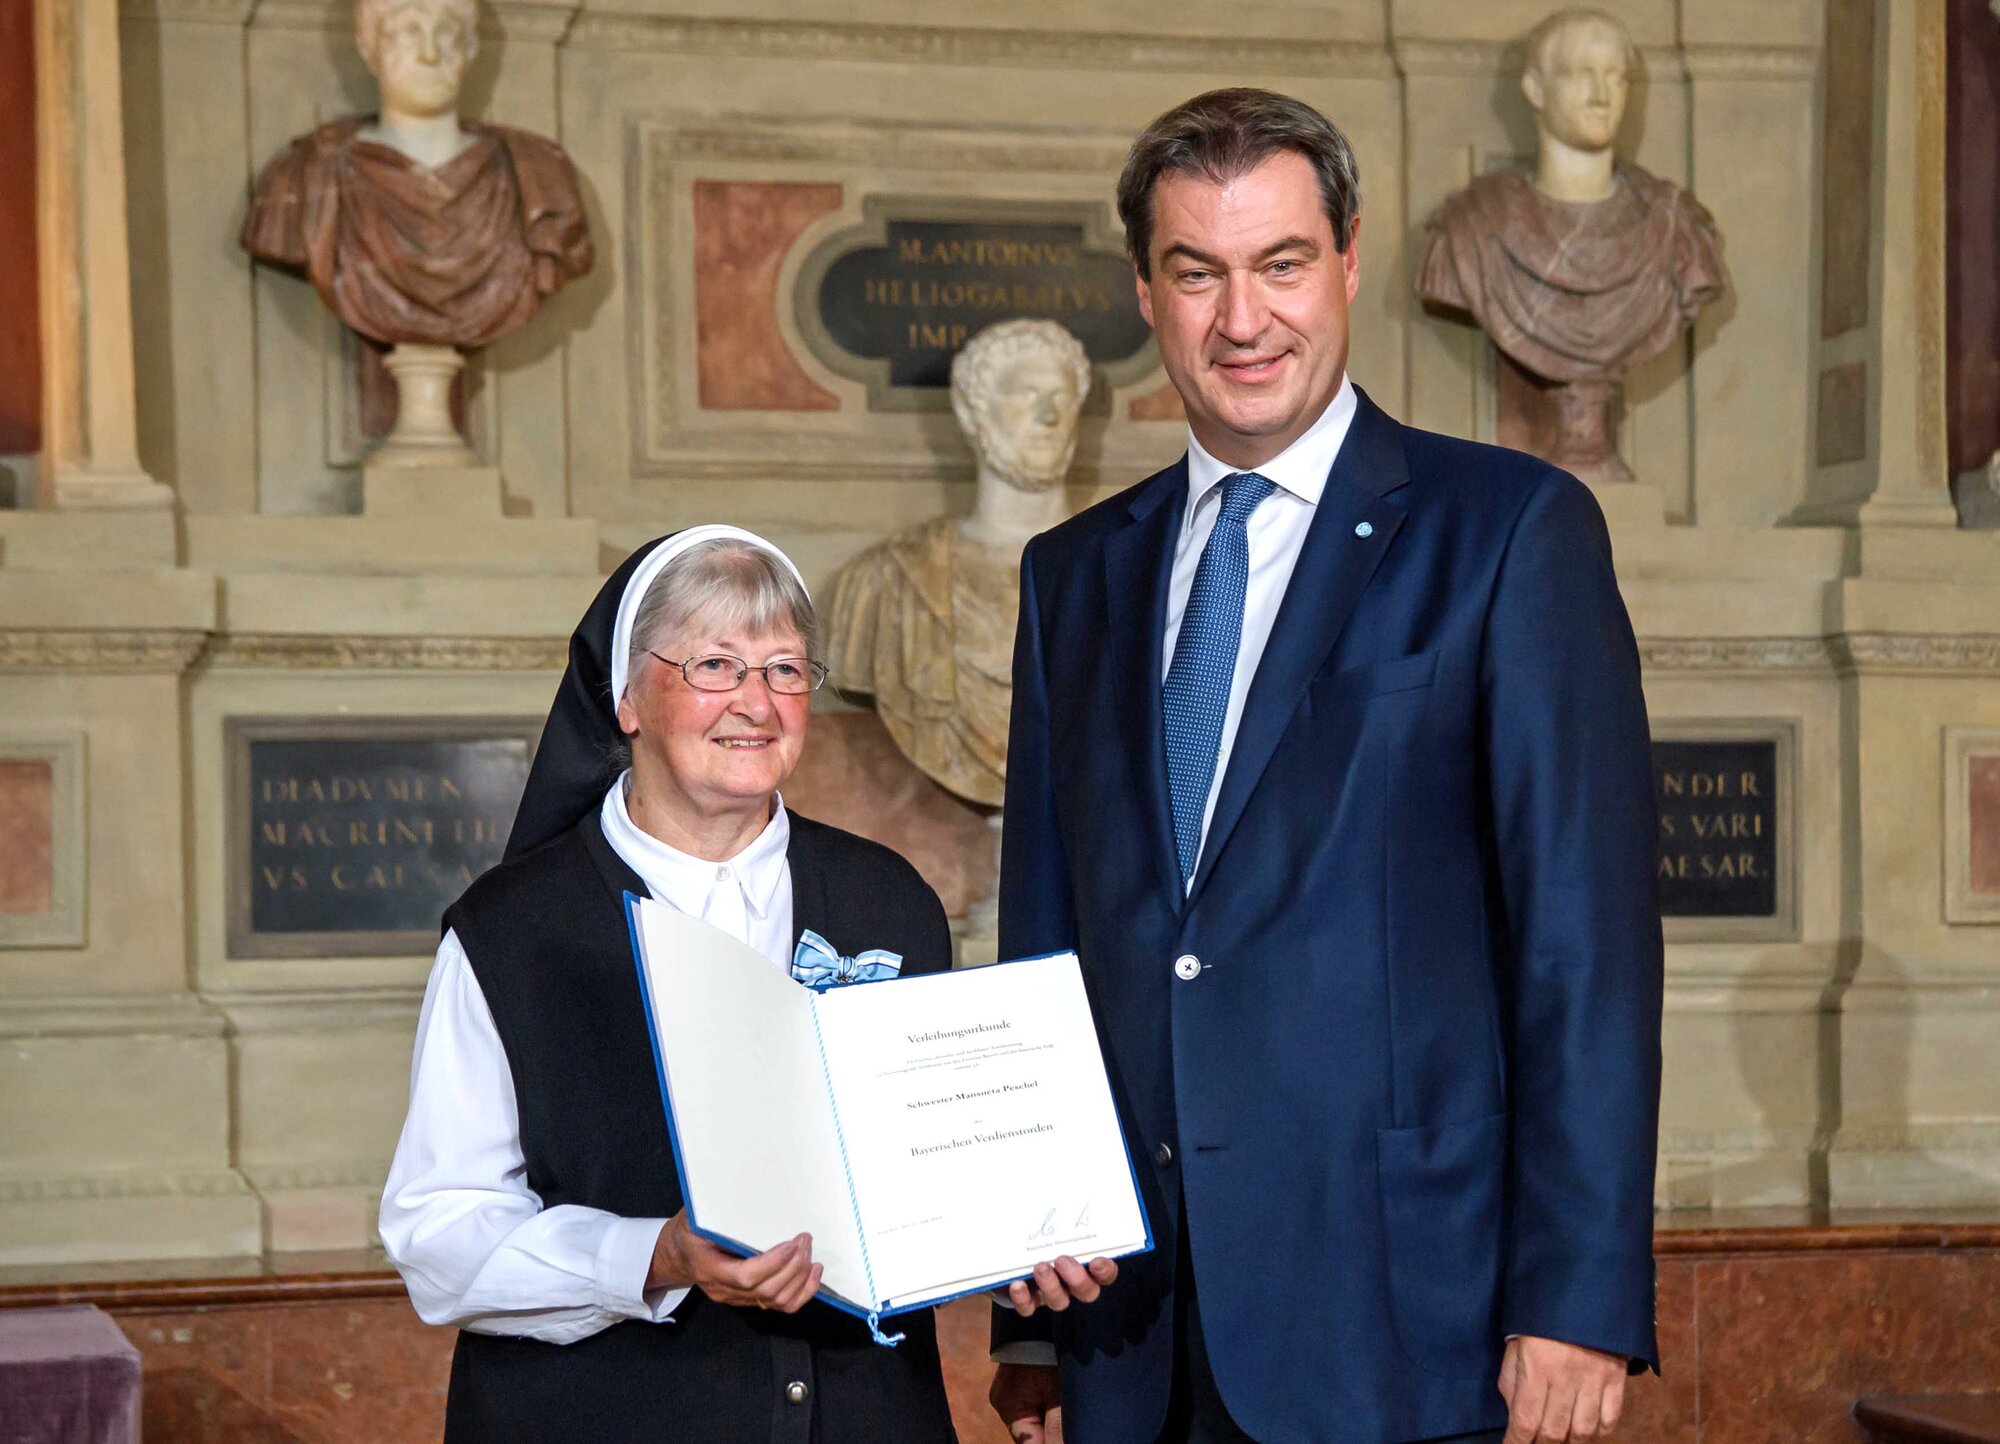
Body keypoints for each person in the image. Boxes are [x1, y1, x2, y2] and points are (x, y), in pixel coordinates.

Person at [989, 89, 1662, 1444]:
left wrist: (1580, 1296)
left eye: (1281, 264)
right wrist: (1034, 1315)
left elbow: (1581, 947)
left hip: (1409, 1330)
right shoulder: (1074, 577)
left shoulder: (1511, 533)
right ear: (1146, 291)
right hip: (1135, 1330)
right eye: (1199, 274)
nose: (1244, 321)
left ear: (1346, 261)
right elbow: (1046, 946)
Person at [380, 527, 959, 1443]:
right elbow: (440, 1239)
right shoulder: (513, 932)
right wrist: (656, 1255)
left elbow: (938, 1168)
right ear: (625, 698)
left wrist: (1024, 1241)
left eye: (784, 669)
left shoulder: (891, 903)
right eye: (716, 665)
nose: (757, 704)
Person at [826, 319, 1092, 807]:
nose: (1049, 415)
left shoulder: (1120, 574)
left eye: (1062, 396)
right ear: (971, 415)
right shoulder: (884, 584)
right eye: (1025, 394)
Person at [240, 0, 593, 349]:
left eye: (446, 34)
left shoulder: (539, 176)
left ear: (469, 50)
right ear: (369, 47)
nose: (429, 55)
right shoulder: (304, 176)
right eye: (409, 32)